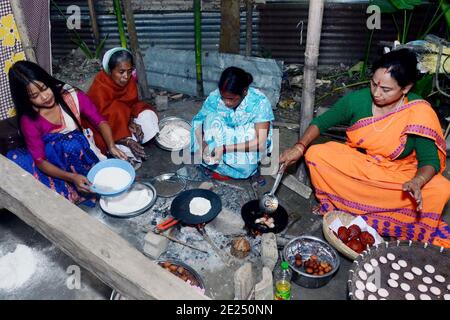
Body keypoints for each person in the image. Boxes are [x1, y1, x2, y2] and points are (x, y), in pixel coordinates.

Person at [280, 49, 450, 248]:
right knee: (317, 154)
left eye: (386, 89)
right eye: (373, 84)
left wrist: (418, 181)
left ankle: (388, 220)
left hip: (400, 177)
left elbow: (429, 160)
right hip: (363, 168)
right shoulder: (357, 100)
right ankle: (344, 205)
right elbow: (321, 122)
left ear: (406, 88)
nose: (377, 93)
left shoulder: (418, 111)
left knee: (440, 188)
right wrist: (299, 147)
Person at [7, 60, 127, 205]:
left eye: (44, 88)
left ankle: (80, 181)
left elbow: (100, 121)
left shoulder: (71, 96)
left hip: (78, 153)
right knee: (16, 163)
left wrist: (111, 145)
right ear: (26, 99)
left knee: (72, 143)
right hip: (53, 162)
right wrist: (71, 177)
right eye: (35, 96)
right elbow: (40, 161)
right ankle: (71, 187)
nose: (44, 97)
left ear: (48, 81)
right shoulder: (29, 119)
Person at [191, 66, 274, 180]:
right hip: (224, 137)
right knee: (210, 118)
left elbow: (260, 142)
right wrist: (202, 144)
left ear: (244, 91)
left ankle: (245, 168)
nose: (226, 102)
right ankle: (216, 163)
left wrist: (224, 149)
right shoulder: (215, 97)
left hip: (246, 143)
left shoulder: (259, 102)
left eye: (231, 99)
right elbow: (199, 122)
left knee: (246, 166)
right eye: (223, 97)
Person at [84, 47, 159, 168]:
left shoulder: (129, 82)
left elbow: (131, 105)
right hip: (105, 130)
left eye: (129, 71)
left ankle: (137, 141)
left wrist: (130, 122)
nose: (126, 76)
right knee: (117, 111)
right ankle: (124, 148)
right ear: (109, 70)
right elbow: (98, 121)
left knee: (147, 113)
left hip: (122, 121)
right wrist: (126, 140)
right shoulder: (99, 88)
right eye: (121, 72)